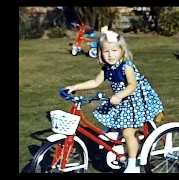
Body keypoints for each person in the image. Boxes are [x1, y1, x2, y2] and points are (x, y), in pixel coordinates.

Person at [65, 26, 164, 173]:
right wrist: (75, 86)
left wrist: (119, 95)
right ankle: (119, 141)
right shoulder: (107, 69)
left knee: (128, 133)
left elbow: (132, 86)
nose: (110, 55)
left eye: (114, 51)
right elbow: (95, 81)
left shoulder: (126, 67)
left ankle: (133, 165)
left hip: (134, 102)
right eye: (106, 51)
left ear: (122, 51)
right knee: (114, 120)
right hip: (121, 101)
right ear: (101, 53)